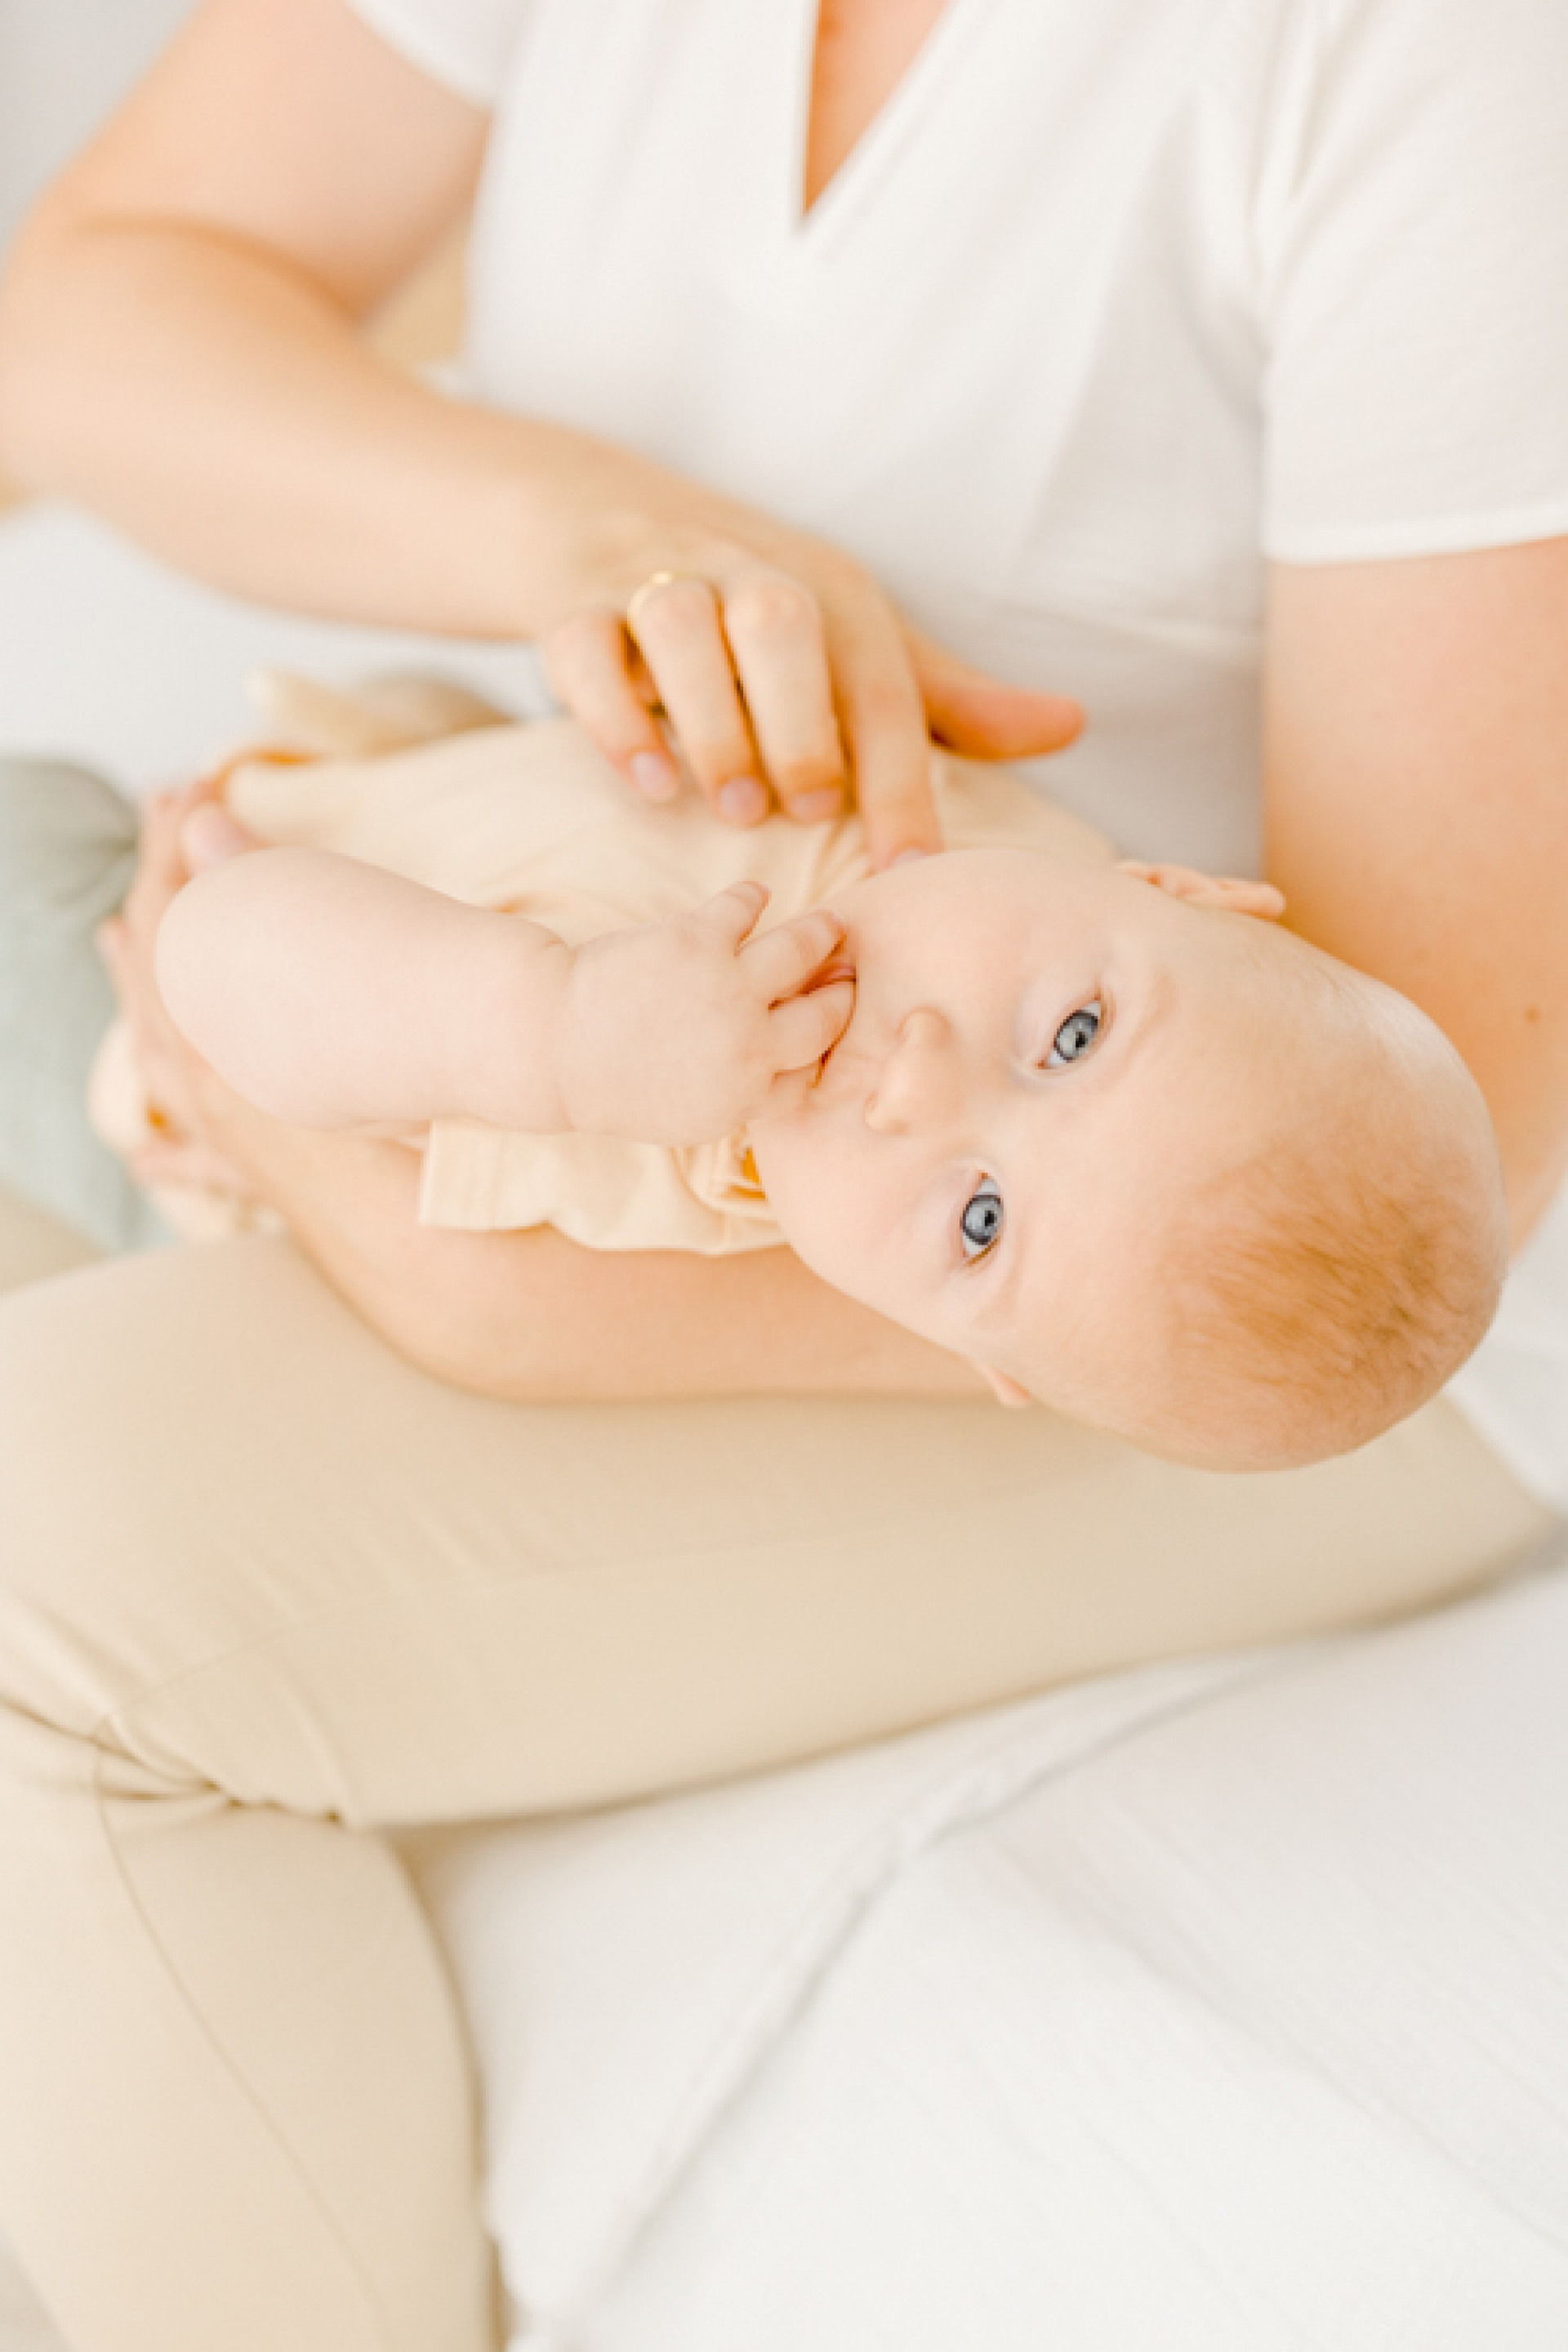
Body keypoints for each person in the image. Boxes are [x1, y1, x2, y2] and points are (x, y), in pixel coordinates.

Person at [0, 1, 1564, 2346]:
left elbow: (1467, 1097)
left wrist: (411, 1212)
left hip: (1277, 1314)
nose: (943, 1059)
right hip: (656, 1069)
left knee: (39, 1557)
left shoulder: (1436, 74)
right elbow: (84, 317)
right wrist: (591, 536)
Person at [135, 699, 1502, 1468]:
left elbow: (211, 969)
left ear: (962, 1354)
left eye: (979, 1221)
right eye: (1073, 1037)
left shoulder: (662, 1145)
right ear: (1171, 887)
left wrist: (550, 1036)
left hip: (131, 1004)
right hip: (340, 746)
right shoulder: (986, 820)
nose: (917, 1083)